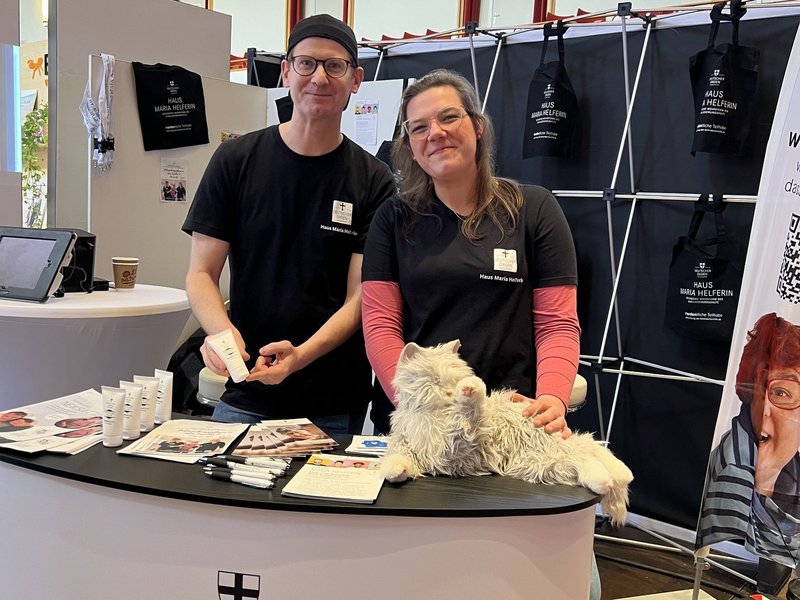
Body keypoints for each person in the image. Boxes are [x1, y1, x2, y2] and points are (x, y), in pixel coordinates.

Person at [360, 69, 598, 599]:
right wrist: (417, 405)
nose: (436, 133)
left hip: (515, 427)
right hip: (422, 434)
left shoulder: (532, 209)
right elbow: (379, 324)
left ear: (478, 126)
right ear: (409, 145)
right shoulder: (393, 219)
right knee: (421, 577)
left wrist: (553, 398)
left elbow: (557, 323)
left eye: (449, 117)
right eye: (419, 127)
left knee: (550, 579)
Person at [182, 14, 395, 434]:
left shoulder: (374, 180)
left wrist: (301, 356)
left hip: (333, 401)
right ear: (285, 71)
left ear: (356, 79)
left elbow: (360, 298)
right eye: (306, 63)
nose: (319, 77)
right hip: (246, 390)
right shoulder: (235, 161)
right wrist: (221, 333)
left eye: (334, 66)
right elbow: (201, 273)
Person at [697, 312, 800, 568]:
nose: (765, 410)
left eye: (781, 393)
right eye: (760, 390)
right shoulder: (734, 473)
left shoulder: (792, 468)